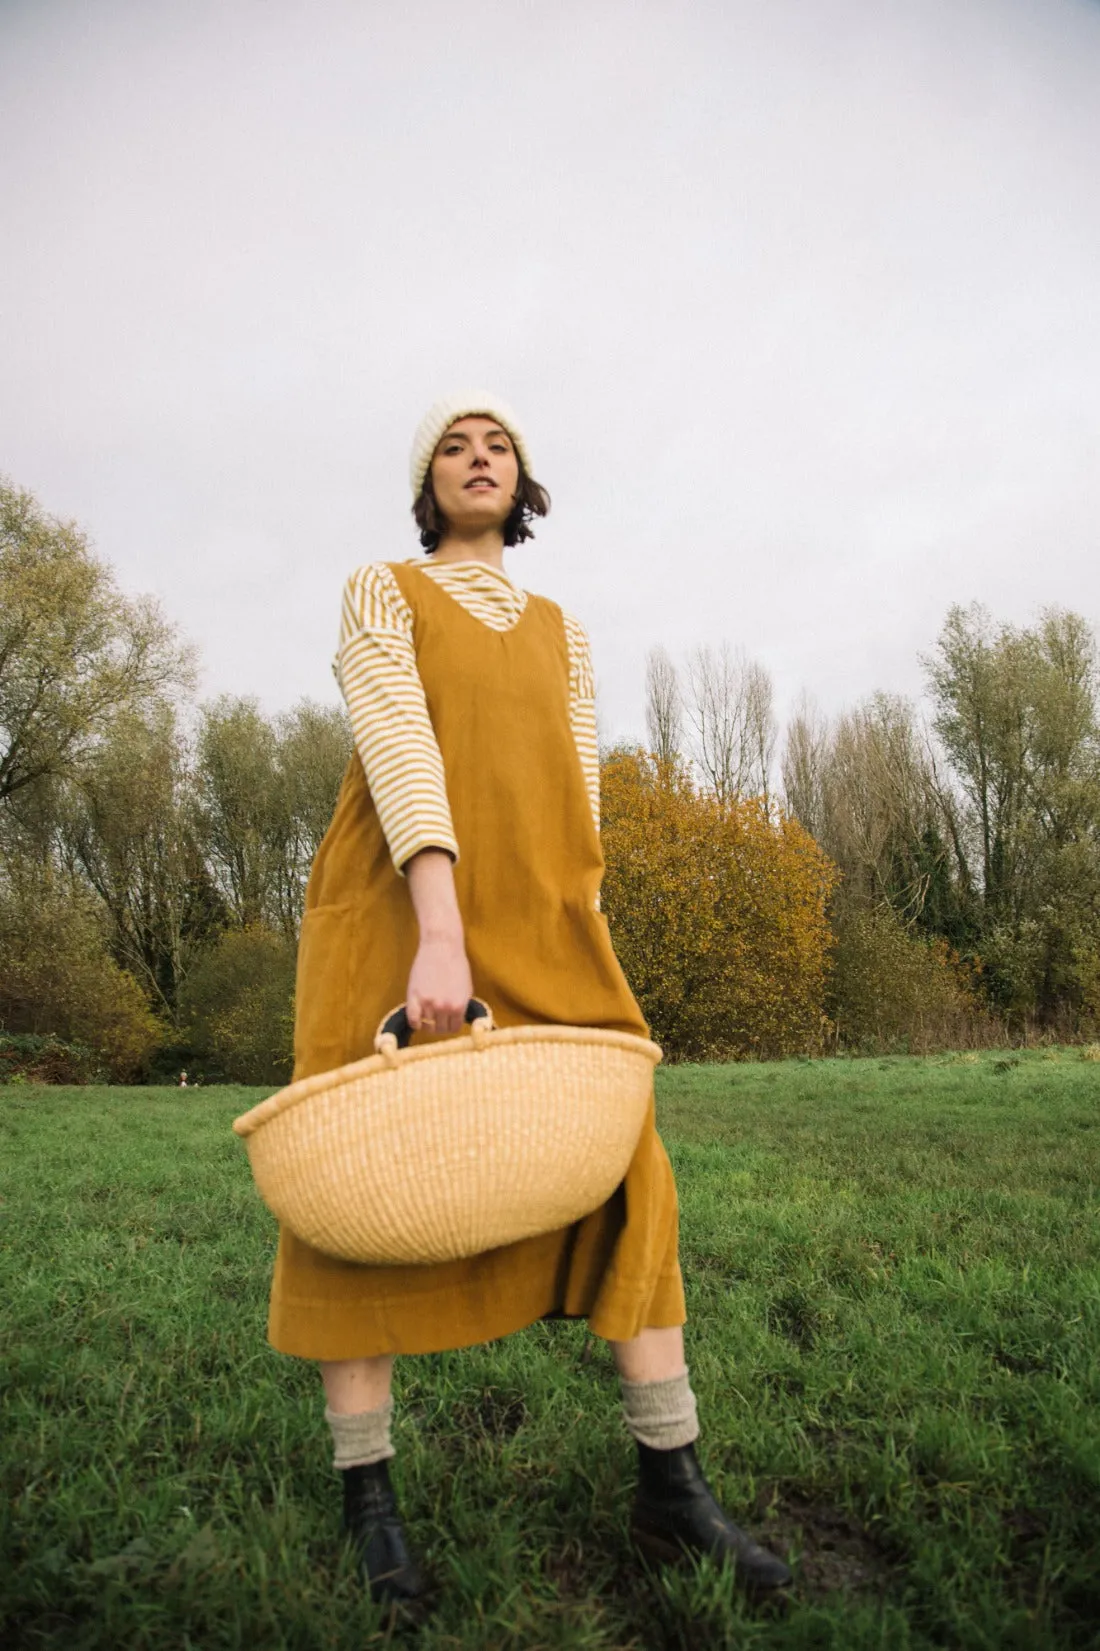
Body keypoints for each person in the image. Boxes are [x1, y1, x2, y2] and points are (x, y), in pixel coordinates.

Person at [268, 393, 792, 1607]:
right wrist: (438, 933)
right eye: (451, 445)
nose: (476, 456)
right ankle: (371, 1504)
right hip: (403, 907)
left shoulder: (561, 627)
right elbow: (399, 740)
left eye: (495, 443)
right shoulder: (378, 591)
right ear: (425, 483)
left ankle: (672, 1487)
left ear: (525, 480)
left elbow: (576, 798)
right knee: (360, 1185)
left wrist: (585, 923)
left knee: (630, 1175)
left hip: (546, 919)